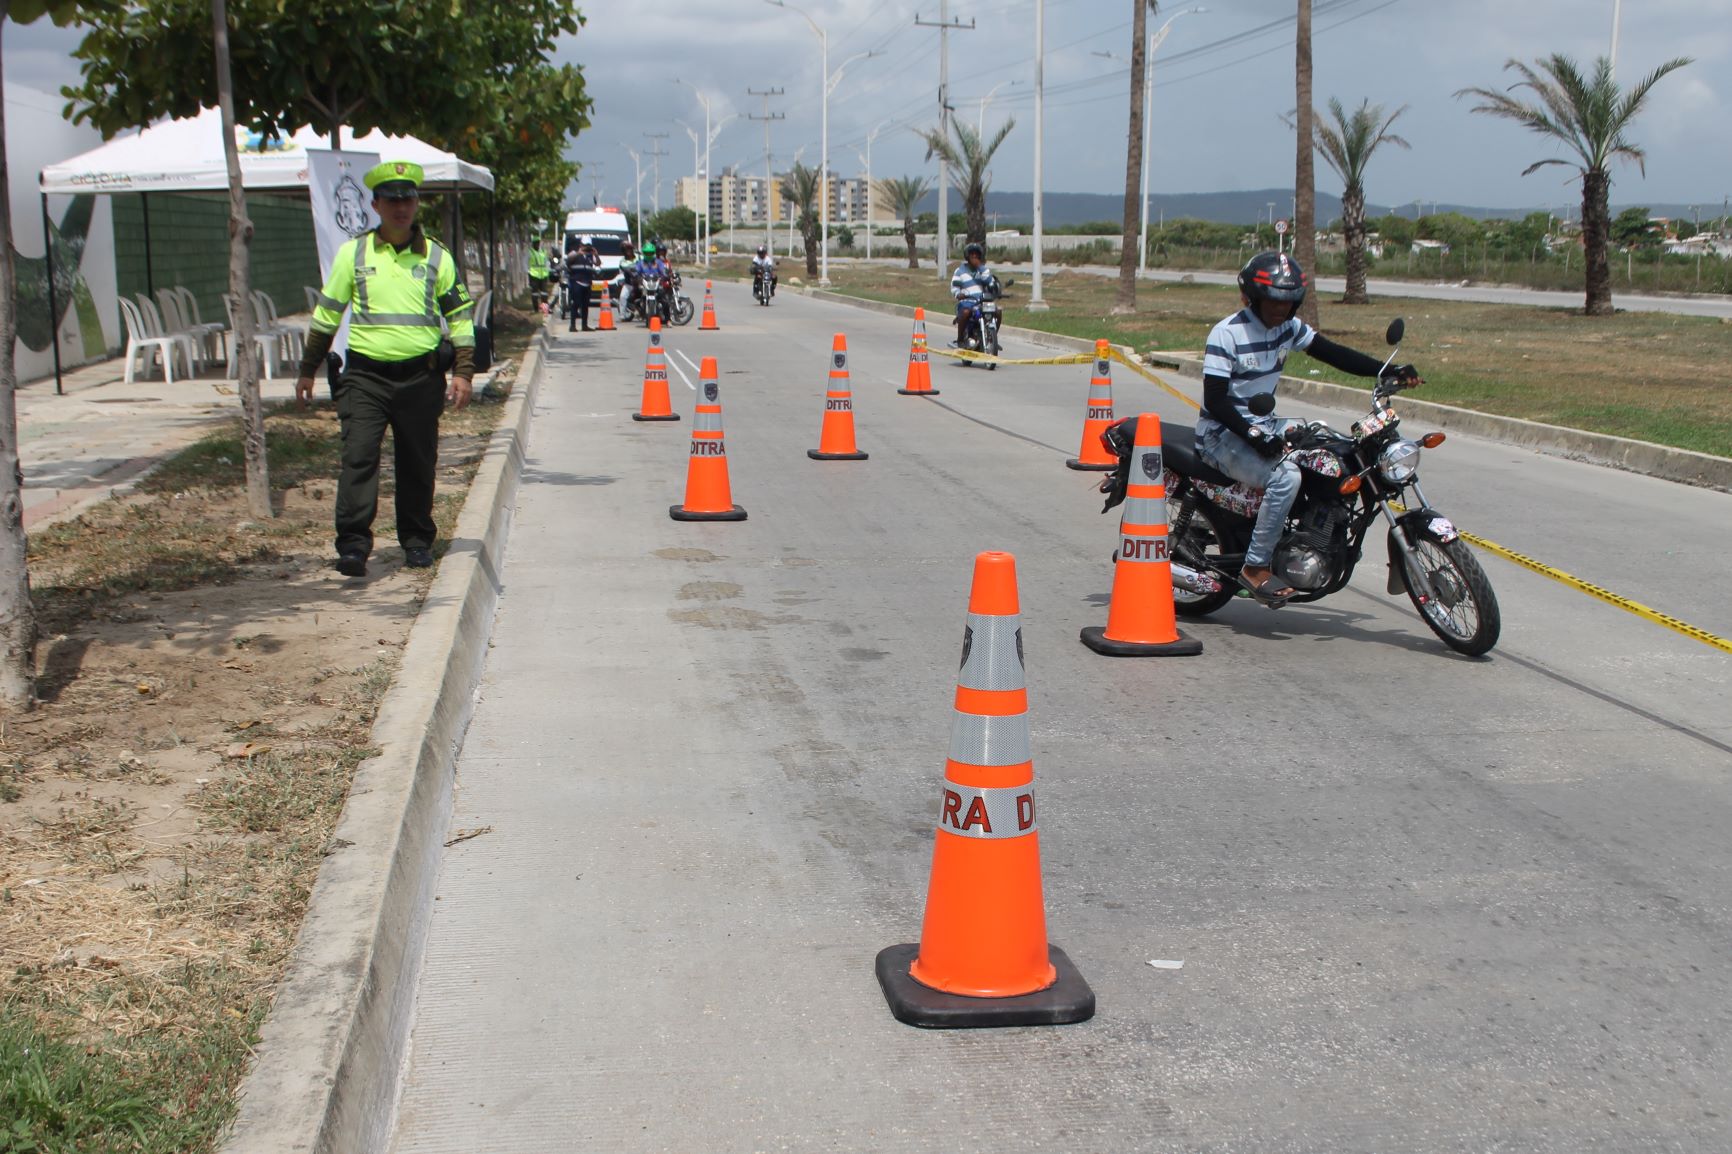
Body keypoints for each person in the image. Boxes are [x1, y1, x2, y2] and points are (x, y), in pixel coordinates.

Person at [1197, 251, 1420, 606]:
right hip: (1221, 434)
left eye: (1287, 302)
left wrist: (1385, 371)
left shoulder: (1289, 328)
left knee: (1334, 449)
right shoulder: (1227, 334)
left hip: (1265, 424)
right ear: (1252, 297)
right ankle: (1254, 568)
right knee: (1286, 477)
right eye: (1272, 301)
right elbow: (1215, 400)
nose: (1280, 310)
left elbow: (1329, 352)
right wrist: (1254, 434)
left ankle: (1311, 536)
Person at [295, 160, 476, 578]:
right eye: (392, 200)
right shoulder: (353, 254)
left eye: (408, 199)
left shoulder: (437, 257)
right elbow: (327, 315)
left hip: (420, 378)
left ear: (417, 204)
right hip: (366, 378)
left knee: (418, 461)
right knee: (358, 457)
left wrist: (463, 373)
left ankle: (415, 542)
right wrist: (308, 368)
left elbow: (461, 320)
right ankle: (354, 546)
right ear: (375, 204)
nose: (401, 207)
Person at [949, 242, 993, 348]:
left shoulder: (984, 270)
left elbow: (989, 282)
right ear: (967, 256)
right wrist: (958, 294)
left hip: (982, 302)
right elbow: (954, 287)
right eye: (972, 254)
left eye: (976, 254)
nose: (974, 256)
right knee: (965, 312)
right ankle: (960, 340)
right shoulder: (960, 271)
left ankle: (991, 337)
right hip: (967, 302)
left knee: (998, 311)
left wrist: (980, 267)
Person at [566, 236, 598, 332]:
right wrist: (578, 253)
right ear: (581, 245)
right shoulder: (574, 253)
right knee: (575, 304)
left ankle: (585, 325)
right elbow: (568, 261)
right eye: (585, 245)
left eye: (589, 246)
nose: (587, 248)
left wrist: (596, 255)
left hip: (587, 282)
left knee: (585, 305)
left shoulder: (590, 256)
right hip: (576, 282)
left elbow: (598, 264)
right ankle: (572, 325)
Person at [528, 236, 550, 313]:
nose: (537, 244)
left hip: (543, 275)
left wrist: (548, 271)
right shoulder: (530, 252)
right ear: (533, 244)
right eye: (536, 243)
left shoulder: (543, 252)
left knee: (544, 294)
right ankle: (536, 309)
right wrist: (528, 272)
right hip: (534, 275)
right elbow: (525, 263)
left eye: (538, 242)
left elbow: (547, 262)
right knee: (535, 294)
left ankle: (545, 309)